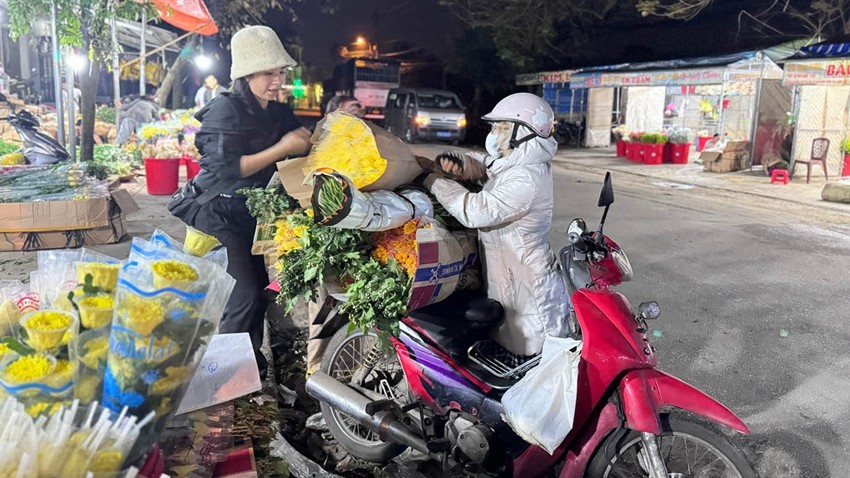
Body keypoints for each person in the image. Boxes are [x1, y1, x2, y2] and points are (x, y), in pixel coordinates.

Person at [170, 25, 311, 378]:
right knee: (245, 292)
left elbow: (303, 142)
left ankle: (246, 359)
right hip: (214, 209)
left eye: (280, 72)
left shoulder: (276, 112)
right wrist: (282, 148)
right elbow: (228, 169)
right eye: (269, 73)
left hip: (248, 211)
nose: (277, 80)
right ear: (246, 74)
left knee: (260, 293)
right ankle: (223, 375)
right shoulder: (225, 111)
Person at [420, 92, 569, 358]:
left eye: (500, 128)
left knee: (532, 357)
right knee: (509, 347)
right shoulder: (521, 163)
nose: (494, 134)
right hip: (511, 275)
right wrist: (464, 165)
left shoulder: (527, 178)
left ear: (521, 132)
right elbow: (492, 166)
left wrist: (433, 181)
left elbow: (475, 211)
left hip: (528, 287)